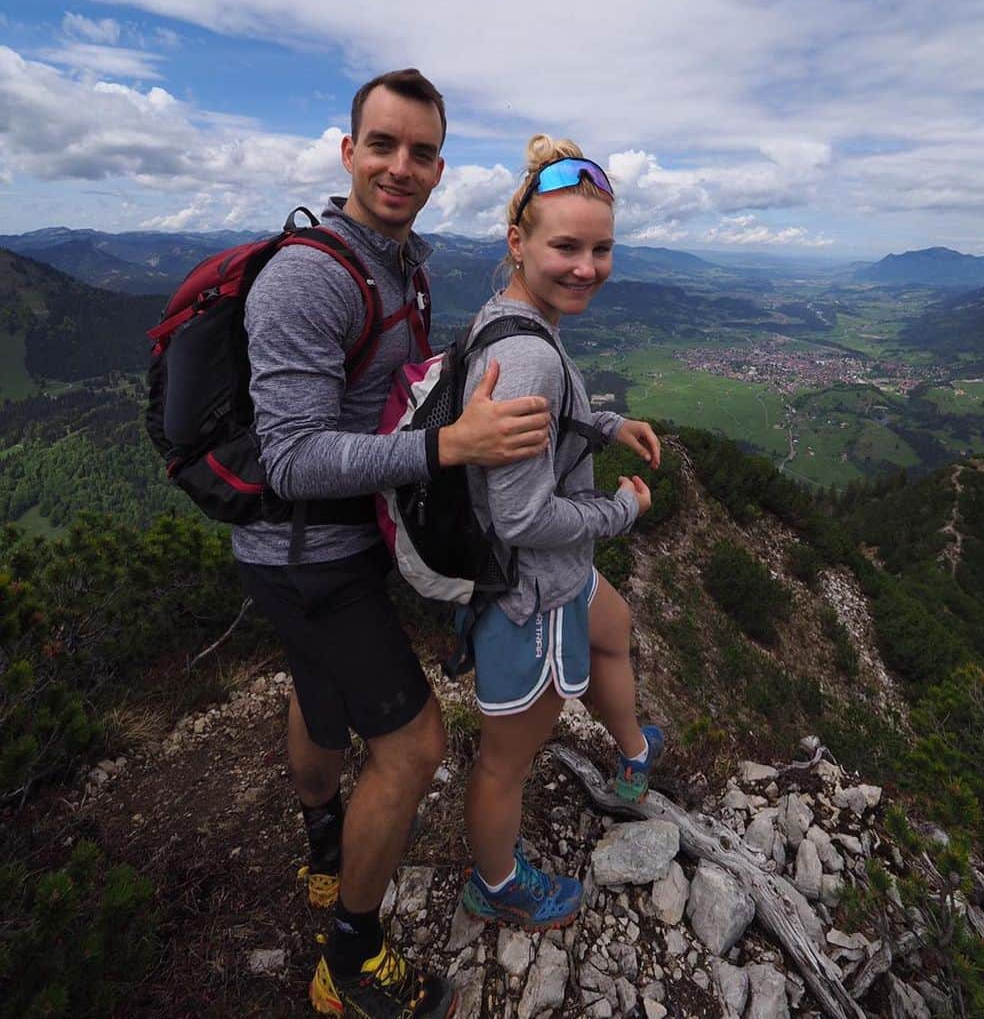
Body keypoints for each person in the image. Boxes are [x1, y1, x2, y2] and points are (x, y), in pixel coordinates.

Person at [234, 69, 552, 1019]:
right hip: (307, 551)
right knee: (413, 749)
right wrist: (448, 446)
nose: (399, 166)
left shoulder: (397, 262)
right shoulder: (308, 275)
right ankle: (351, 963)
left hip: (315, 551)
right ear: (348, 151)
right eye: (382, 144)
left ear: (440, 166)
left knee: (319, 692)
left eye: (420, 152)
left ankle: (326, 853)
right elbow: (289, 459)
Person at [457, 135, 664, 930]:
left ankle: (634, 751)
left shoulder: (515, 318)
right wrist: (623, 512)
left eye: (601, 248)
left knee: (614, 628)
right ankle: (498, 883)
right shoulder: (531, 353)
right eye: (566, 247)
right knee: (507, 760)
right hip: (526, 591)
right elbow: (520, 515)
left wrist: (608, 424)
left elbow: (549, 424)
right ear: (519, 243)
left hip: (556, 578)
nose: (588, 266)